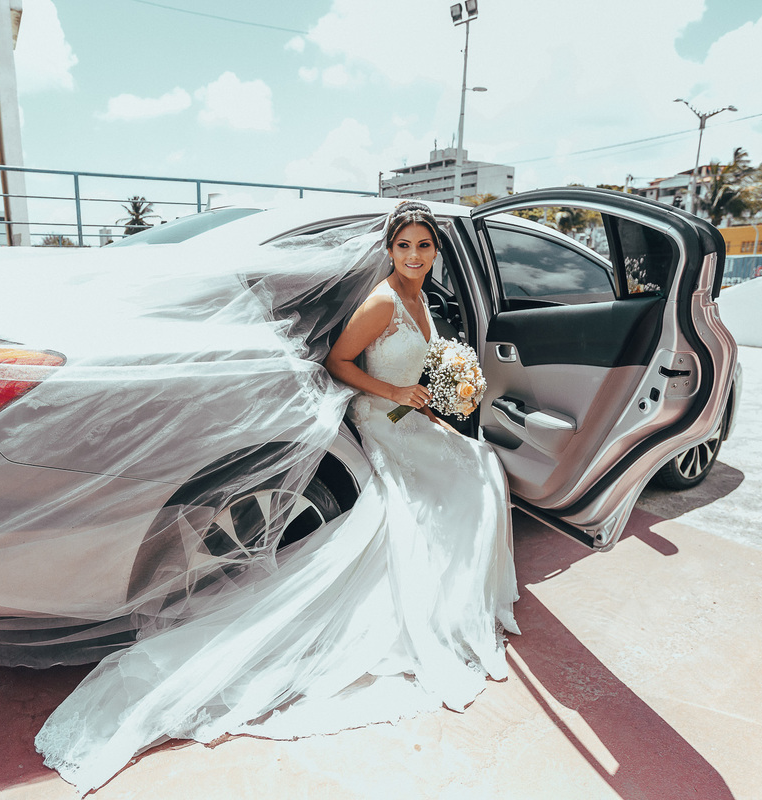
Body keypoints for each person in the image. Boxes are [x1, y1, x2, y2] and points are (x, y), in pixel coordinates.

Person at [34, 201, 520, 795]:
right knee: (476, 475)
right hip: (382, 418)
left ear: (435, 251)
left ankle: (456, 594)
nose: (414, 256)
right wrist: (396, 392)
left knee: (479, 464)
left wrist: (441, 392)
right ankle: (447, 606)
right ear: (389, 251)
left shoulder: (421, 299)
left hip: (409, 415)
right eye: (403, 247)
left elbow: (421, 369)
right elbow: (340, 363)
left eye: (423, 246)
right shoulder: (382, 302)